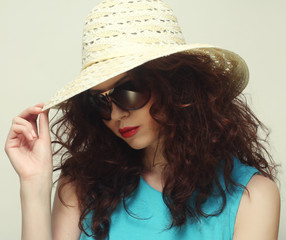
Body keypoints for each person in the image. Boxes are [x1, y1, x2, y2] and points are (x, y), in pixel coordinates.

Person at [5, 0, 280, 239]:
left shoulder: (252, 196)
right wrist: (33, 184)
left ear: (175, 86)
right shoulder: (80, 186)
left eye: (128, 92)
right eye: (100, 101)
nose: (115, 114)